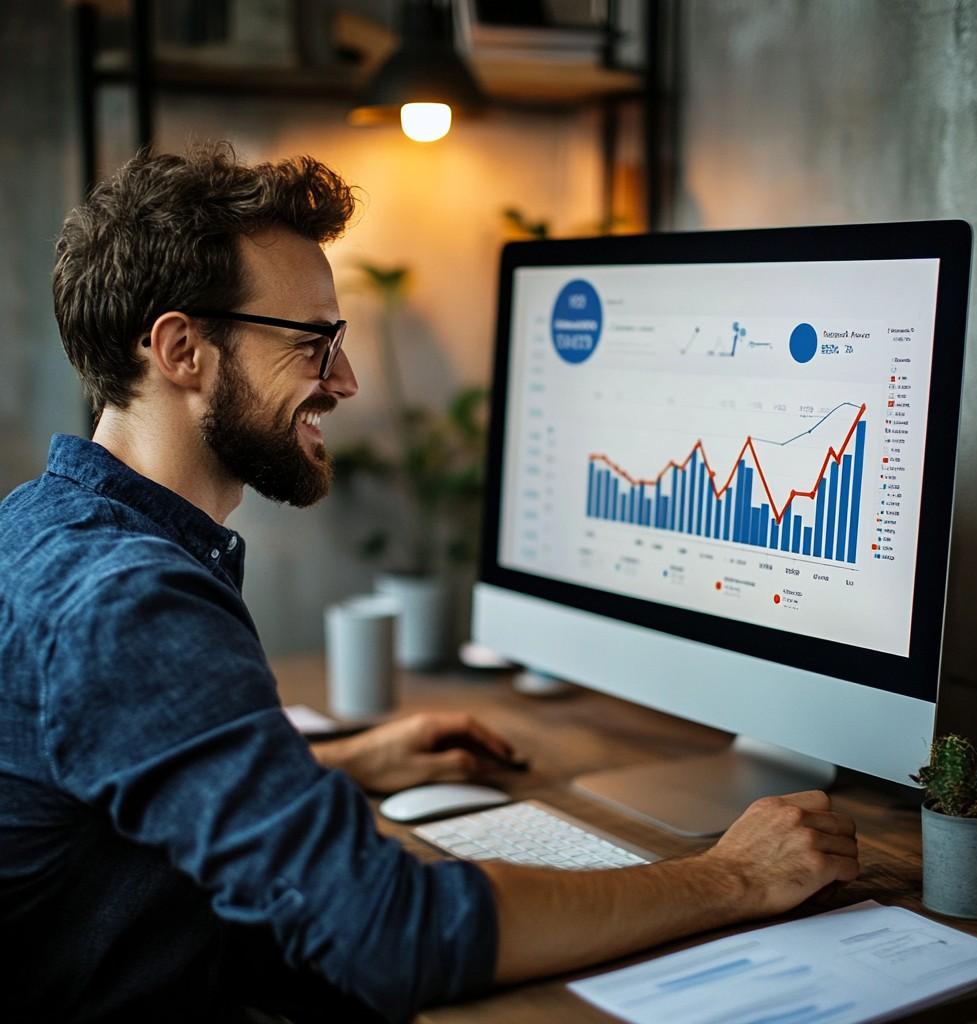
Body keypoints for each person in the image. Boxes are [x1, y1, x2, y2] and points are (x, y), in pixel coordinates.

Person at [0, 144, 859, 1024]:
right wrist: (734, 876)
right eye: (314, 341)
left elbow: (122, 778)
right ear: (184, 349)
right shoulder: (130, 603)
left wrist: (352, 759)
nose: (345, 379)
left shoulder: (42, 527)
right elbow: (389, 932)